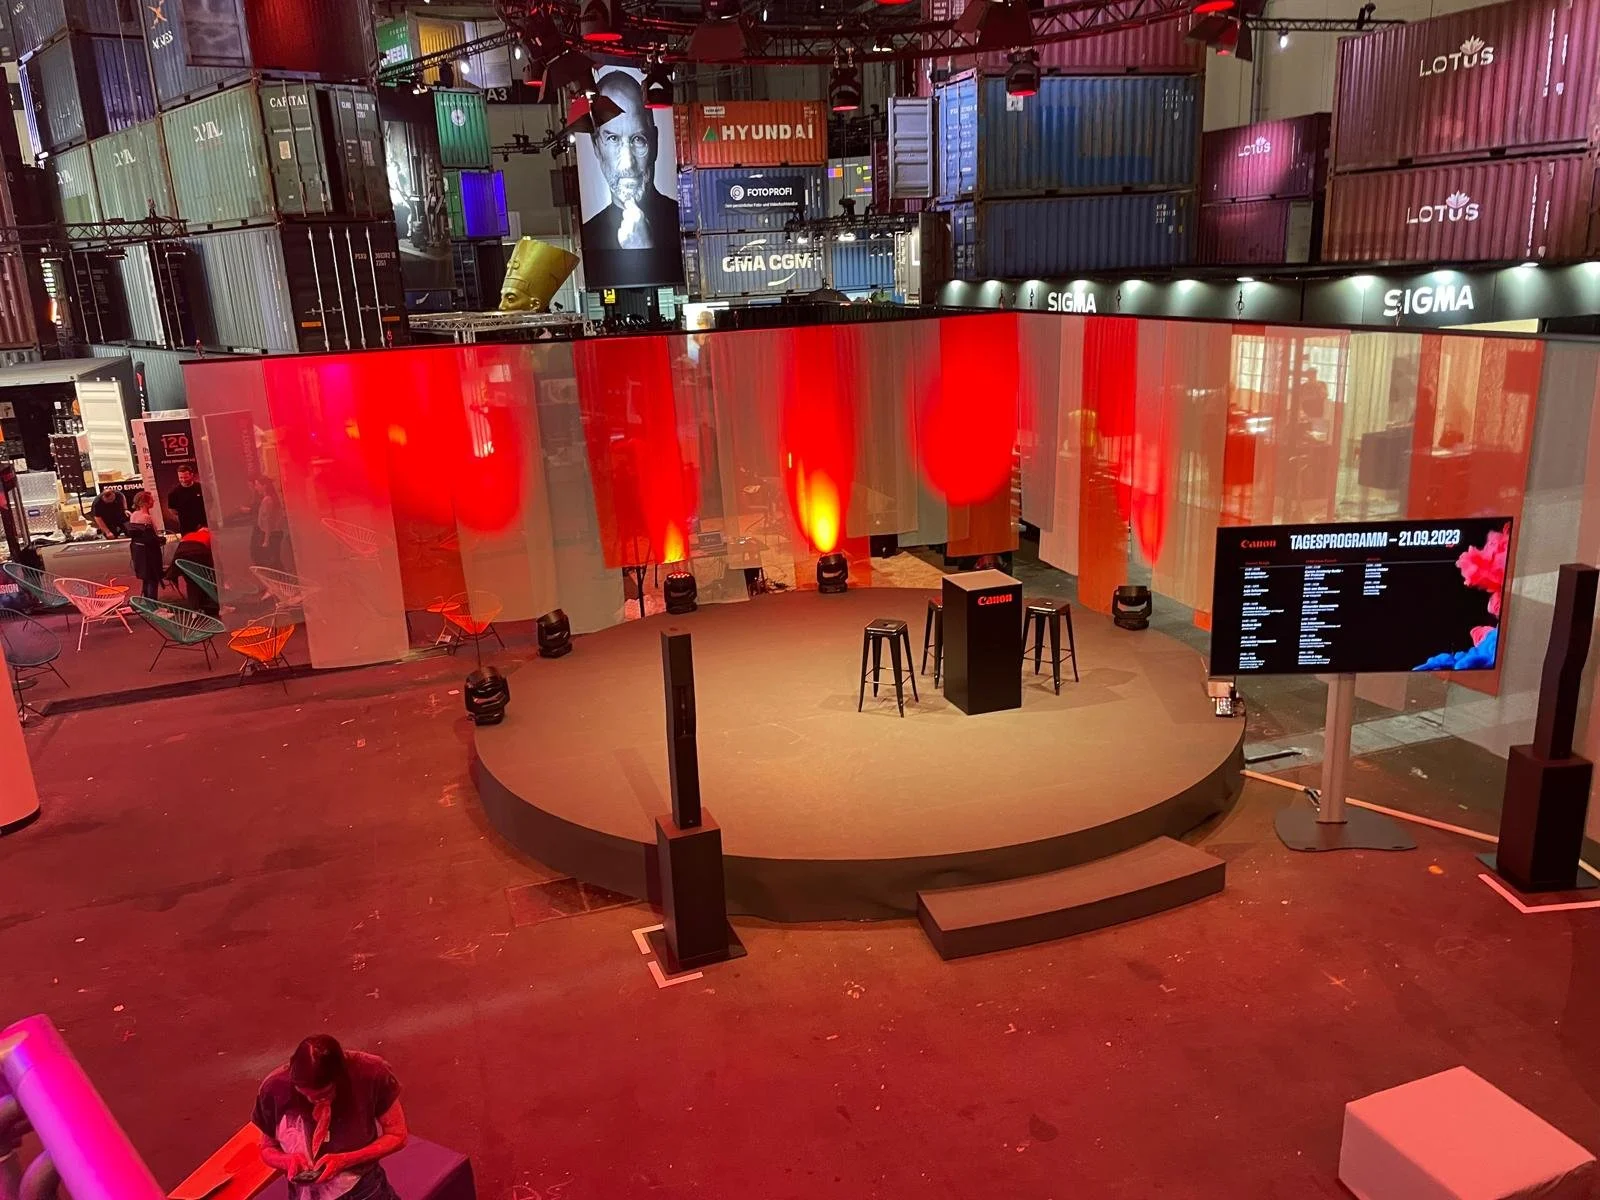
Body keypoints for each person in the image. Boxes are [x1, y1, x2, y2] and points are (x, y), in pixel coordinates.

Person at [253, 1035, 407, 1200]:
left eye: (323, 1094)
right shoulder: (273, 1089)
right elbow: (267, 1149)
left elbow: (397, 1135)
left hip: (364, 1191)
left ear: (340, 1079)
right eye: (304, 1094)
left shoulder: (371, 1073)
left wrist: (345, 1160)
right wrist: (287, 1161)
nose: (313, 1101)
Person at [579, 71, 681, 288]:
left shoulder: (684, 223)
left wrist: (646, 247)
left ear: (654, 142)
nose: (628, 163)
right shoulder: (587, 235)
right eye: (613, 139)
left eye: (638, 139)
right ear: (596, 146)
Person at [167, 526, 218, 615]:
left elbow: (179, 549)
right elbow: (215, 553)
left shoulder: (189, 535)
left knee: (191, 582)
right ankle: (212, 604)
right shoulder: (210, 535)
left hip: (181, 558)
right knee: (206, 580)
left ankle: (195, 609)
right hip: (199, 554)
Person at [125, 492, 165, 602]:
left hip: (138, 550)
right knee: (153, 577)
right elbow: (152, 536)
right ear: (146, 503)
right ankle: (152, 604)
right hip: (149, 551)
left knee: (146, 577)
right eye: (151, 500)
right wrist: (161, 540)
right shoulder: (146, 517)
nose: (153, 501)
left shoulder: (134, 515)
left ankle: (148, 601)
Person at [250, 476, 286, 572]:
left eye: (257, 485)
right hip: (274, 533)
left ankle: (280, 581)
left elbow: (268, 521)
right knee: (275, 560)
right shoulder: (271, 499)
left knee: (272, 562)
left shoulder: (267, 500)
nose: (256, 487)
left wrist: (266, 539)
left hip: (270, 534)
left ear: (264, 486)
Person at [165, 464, 208, 536]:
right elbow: (172, 510)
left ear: (191, 475)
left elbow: (210, 502)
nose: (183, 480)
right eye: (181, 477)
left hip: (203, 524)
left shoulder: (201, 488)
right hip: (186, 527)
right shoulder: (174, 493)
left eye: (186, 477)